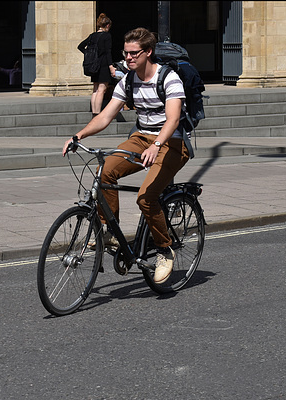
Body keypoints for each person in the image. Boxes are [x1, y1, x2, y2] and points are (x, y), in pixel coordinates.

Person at [62, 27, 190, 284]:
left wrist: (157, 145)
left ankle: (165, 250)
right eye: (126, 53)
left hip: (171, 143)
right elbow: (105, 116)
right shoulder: (128, 80)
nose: (128, 58)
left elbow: (173, 119)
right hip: (140, 139)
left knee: (146, 197)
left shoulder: (169, 78)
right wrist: (79, 136)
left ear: (148, 52)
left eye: (134, 53)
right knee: (104, 172)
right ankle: (110, 231)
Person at [78, 13, 113, 115]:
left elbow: (80, 46)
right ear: (107, 25)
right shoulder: (107, 36)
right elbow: (108, 52)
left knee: (95, 89)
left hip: (93, 65)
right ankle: (97, 113)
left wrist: (88, 54)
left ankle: (94, 112)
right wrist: (111, 66)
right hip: (103, 65)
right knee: (102, 89)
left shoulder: (92, 36)